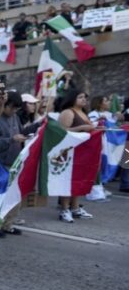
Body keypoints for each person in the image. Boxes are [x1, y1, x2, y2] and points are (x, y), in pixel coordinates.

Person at [0, 92, 42, 235]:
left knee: (15, 196)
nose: (14, 111)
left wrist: (33, 129)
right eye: (11, 108)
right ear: (4, 104)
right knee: (0, 198)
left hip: (15, 162)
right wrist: (11, 139)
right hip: (0, 163)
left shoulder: (15, 117)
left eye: (17, 109)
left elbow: (20, 132)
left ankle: (7, 224)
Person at [56, 90, 96, 222]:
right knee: (68, 181)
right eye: (80, 97)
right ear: (72, 98)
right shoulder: (68, 112)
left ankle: (75, 208)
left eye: (85, 97)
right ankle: (65, 209)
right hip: (69, 152)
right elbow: (61, 131)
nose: (84, 99)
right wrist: (82, 128)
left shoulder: (83, 113)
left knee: (78, 180)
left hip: (82, 152)